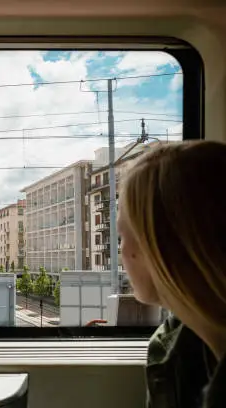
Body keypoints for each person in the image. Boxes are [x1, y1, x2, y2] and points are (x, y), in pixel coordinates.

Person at [117, 140, 226, 408]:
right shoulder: (179, 346)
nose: (121, 251)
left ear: (161, 248)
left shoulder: (176, 352)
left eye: (122, 234)